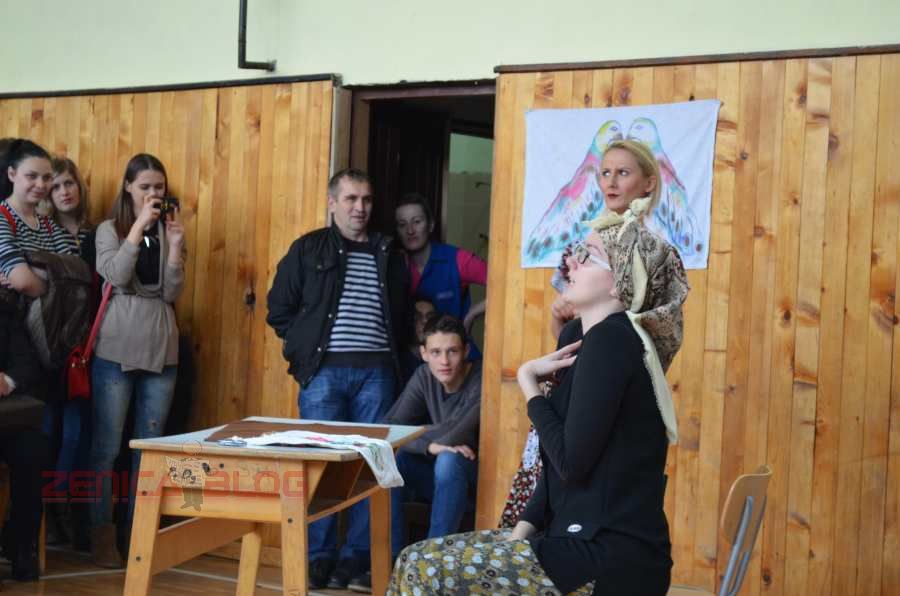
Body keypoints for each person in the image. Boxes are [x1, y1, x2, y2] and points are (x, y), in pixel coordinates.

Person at [388, 194, 689, 595]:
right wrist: (519, 534)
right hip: (573, 538)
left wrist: (531, 387)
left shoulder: (613, 342)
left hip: (606, 556)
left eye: (589, 256)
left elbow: (570, 463)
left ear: (620, 285)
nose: (572, 262)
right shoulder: (584, 338)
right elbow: (556, 469)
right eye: (578, 250)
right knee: (415, 559)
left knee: (422, 567)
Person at [266, 168, 410, 591]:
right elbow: (278, 309)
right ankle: (318, 558)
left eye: (366, 199)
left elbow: (400, 314)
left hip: (377, 374)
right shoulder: (308, 248)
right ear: (332, 203)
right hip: (322, 372)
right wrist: (303, 349)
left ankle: (357, 559)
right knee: (320, 465)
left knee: (373, 466)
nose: (360, 207)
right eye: (350, 199)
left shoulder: (388, 252)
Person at [89, 154, 185, 569]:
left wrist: (175, 249)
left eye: (159, 187)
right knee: (107, 447)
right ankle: (101, 535)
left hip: (161, 346)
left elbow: (171, 292)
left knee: (148, 449)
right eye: (145, 186)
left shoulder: (167, 229)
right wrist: (137, 228)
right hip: (116, 347)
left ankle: (138, 536)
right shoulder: (108, 229)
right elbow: (114, 274)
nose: (153, 194)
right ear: (128, 186)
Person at [383, 313, 482, 563]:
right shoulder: (424, 376)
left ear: (466, 350)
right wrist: (430, 446)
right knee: (391, 459)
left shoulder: (482, 378)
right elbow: (388, 430)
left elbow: (457, 431)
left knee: (448, 460)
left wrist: (426, 438)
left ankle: (431, 562)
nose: (444, 361)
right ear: (424, 353)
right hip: (441, 481)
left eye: (452, 351)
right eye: (436, 352)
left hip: (480, 482)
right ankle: (393, 559)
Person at [550, 138, 660, 339]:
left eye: (623, 173)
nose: (611, 183)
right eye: (606, 173)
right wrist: (558, 316)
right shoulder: (579, 247)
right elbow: (566, 340)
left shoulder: (653, 253)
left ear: (649, 183)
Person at [40, 156, 96, 549]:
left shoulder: (96, 232)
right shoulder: (44, 231)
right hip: (49, 343)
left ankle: (64, 507)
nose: (64, 191)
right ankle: (46, 512)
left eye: (69, 183)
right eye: (56, 185)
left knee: (77, 433)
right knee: (47, 430)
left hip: (86, 344)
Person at [395, 193, 486, 357]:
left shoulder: (457, 259)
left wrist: (473, 313)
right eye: (402, 224)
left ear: (430, 225)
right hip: (413, 360)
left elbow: (506, 281)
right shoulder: (395, 265)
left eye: (417, 222)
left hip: (458, 358)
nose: (410, 230)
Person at [0, 297, 49, 581]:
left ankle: (20, 545)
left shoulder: (6, 313)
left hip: (6, 417)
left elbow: (27, 364)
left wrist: (7, 381)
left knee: (32, 450)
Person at [0, 139, 78, 297]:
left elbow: (75, 273)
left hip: (49, 312)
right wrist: (53, 280)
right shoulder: (3, 218)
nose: (41, 185)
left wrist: (32, 272)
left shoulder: (48, 224)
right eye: (32, 176)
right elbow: (23, 282)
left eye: (47, 177)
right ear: (11, 174)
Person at [398, 295, 436, 386]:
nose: (425, 321)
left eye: (430, 317)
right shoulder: (399, 361)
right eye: (417, 317)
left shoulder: (441, 358)